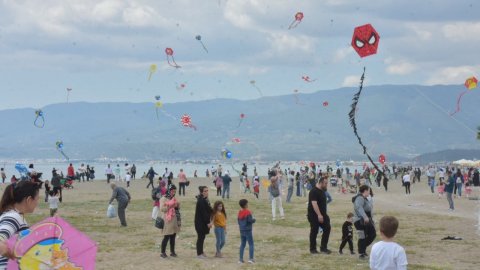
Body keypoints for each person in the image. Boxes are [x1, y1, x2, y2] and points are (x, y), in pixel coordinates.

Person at [0, 181, 40, 268]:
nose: (37, 203)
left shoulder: (15, 216)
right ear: (29, 200)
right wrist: (12, 255)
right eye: (37, 199)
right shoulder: (13, 216)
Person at [307, 176, 331, 255]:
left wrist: (324, 215)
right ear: (320, 183)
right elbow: (314, 204)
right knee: (314, 230)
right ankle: (313, 249)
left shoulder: (322, 191)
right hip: (313, 215)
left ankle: (323, 248)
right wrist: (319, 215)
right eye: (325, 183)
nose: (326, 185)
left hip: (323, 214)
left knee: (327, 228)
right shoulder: (313, 191)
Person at [353, 185, 376, 259]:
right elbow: (359, 207)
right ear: (365, 191)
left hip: (366, 220)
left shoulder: (365, 198)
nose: (369, 192)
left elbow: (369, 209)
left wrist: (371, 220)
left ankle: (362, 249)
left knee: (372, 234)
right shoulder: (359, 198)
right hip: (359, 220)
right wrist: (365, 217)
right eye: (369, 190)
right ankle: (361, 253)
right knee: (362, 236)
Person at [159, 184, 180, 258]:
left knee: (173, 236)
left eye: (174, 191)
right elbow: (162, 209)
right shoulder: (163, 198)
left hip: (174, 219)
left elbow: (177, 208)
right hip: (167, 220)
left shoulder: (173, 197)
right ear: (169, 190)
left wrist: (177, 205)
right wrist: (171, 206)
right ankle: (162, 252)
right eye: (172, 191)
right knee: (166, 236)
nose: (173, 193)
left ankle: (172, 252)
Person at [194, 186, 212, 258]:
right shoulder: (201, 201)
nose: (207, 192)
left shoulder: (205, 199)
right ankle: (199, 253)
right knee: (200, 237)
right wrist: (208, 223)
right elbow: (204, 213)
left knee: (202, 237)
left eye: (207, 191)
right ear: (201, 192)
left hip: (203, 222)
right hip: (200, 223)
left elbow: (209, 209)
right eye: (205, 191)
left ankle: (201, 251)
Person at [238, 199, 255, 264]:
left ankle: (240, 259)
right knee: (251, 244)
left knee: (242, 244)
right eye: (247, 203)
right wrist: (254, 220)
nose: (248, 205)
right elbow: (250, 220)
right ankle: (251, 259)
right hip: (248, 230)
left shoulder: (240, 212)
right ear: (245, 205)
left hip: (242, 230)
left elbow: (238, 221)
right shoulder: (248, 212)